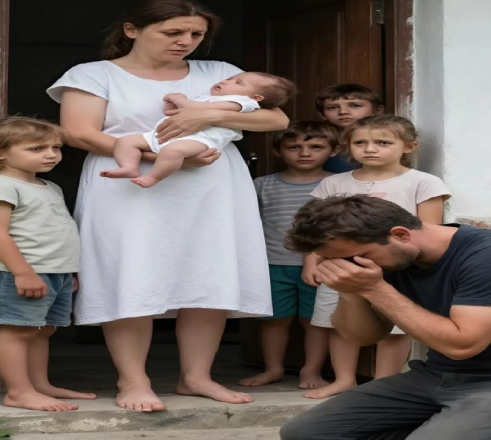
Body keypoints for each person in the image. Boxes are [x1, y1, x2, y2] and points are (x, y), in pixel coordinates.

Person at [46, 0, 288, 412]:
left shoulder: (220, 72)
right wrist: (159, 156)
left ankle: (197, 377)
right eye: (173, 32)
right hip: (127, 185)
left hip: (211, 188)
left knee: (208, 274)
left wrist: (202, 119)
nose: (185, 41)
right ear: (132, 30)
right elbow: (79, 133)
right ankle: (133, 381)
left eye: (196, 34)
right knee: (131, 273)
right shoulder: (93, 74)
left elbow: (275, 119)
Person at [280, 195, 491, 440]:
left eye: (357, 257)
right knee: (305, 433)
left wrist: (375, 288)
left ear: (400, 234)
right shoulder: (388, 259)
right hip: (442, 375)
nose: (353, 266)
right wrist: (352, 291)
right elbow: (363, 337)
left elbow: (462, 344)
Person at [303, 115, 450, 399]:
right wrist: (311, 260)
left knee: (396, 327)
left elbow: (427, 230)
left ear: (409, 146)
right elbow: (317, 227)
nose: (370, 149)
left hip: (397, 268)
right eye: (360, 142)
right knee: (339, 322)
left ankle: (385, 383)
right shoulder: (333, 183)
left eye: (383, 142)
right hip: (339, 266)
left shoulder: (423, 182)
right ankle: (344, 379)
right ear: (348, 146)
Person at [0, 116, 97, 412]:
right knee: (18, 331)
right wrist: (23, 273)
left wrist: (66, 270)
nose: (51, 154)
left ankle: (39, 385)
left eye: (56, 147)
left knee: (42, 330)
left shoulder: (49, 186)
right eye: (37, 148)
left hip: (51, 273)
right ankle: (18, 392)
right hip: (14, 273)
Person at [238, 121, 338, 391]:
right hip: (272, 264)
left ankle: (311, 369)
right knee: (274, 321)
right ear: (278, 151)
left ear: (333, 150)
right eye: (294, 147)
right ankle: (273, 369)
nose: (304, 153)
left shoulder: (336, 184)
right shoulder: (262, 185)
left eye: (316, 147)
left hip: (322, 266)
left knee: (315, 321)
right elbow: (248, 224)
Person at [101, 72, 296, 187]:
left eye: (238, 83)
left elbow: (197, 109)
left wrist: (181, 99)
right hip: (164, 135)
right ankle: (129, 166)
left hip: (199, 141)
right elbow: (175, 114)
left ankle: (153, 177)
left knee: (173, 152)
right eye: (230, 78)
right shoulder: (210, 99)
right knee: (126, 141)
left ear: (256, 98)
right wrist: (171, 105)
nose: (226, 81)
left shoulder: (241, 103)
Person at [314, 83, 384, 174]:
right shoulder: (317, 142)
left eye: (355, 105)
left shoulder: (387, 140)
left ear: (377, 110)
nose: (343, 112)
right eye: (332, 107)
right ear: (322, 114)